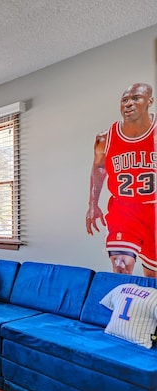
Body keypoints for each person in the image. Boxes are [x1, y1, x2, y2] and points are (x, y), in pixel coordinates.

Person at [86, 82, 156, 277]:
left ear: (149, 101)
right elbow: (99, 167)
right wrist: (93, 204)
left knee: (152, 280)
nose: (128, 104)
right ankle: (122, 307)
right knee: (121, 266)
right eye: (124, 100)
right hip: (123, 210)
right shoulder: (105, 137)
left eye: (136, 98)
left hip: (153, 210)